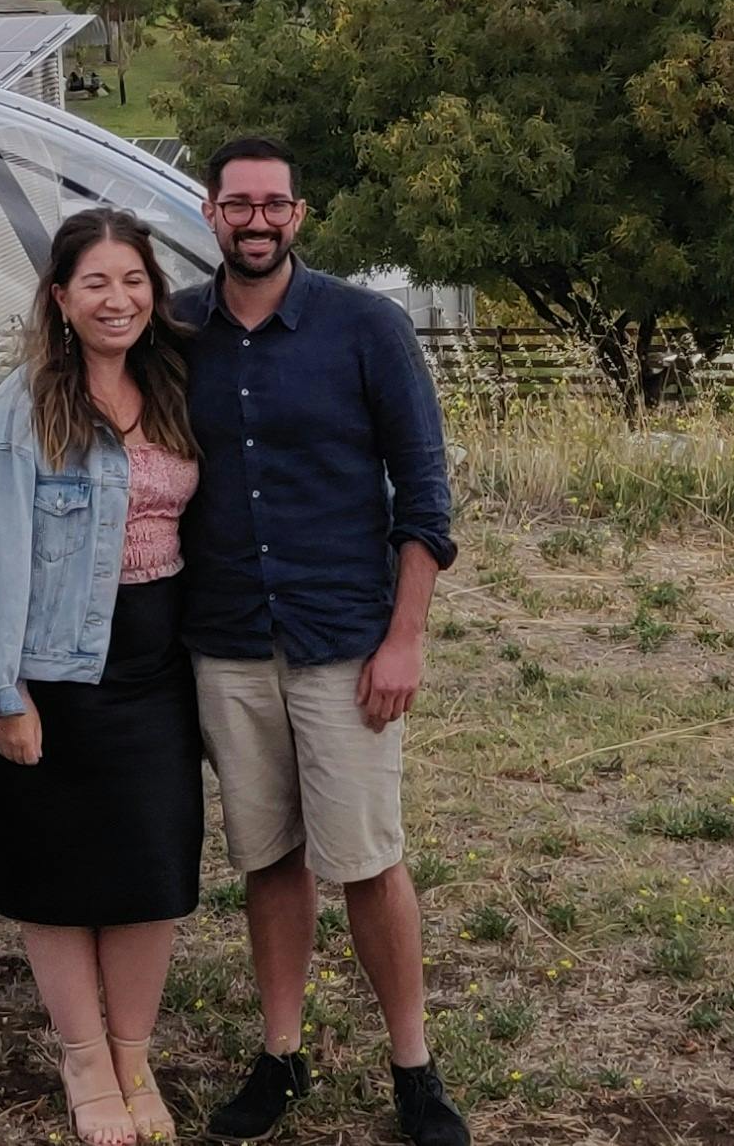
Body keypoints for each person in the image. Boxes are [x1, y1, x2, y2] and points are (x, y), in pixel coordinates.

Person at [177, 136, 464, 1146]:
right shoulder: (176, 329)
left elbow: (423, 493)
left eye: (273, 204)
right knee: (267, 856)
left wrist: (404, 638)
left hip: (343, 637)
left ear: (299, 214)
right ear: (210, 212)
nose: (255, 221)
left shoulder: (364, 326)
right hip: (226, 637)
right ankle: (281, 1053)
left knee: (367, 859)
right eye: (237, 204)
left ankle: (413, 1066)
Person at [0, 206, 207, 1145]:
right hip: (56, 673)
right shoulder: (28, 406)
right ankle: (84, 1061)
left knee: (151, 868)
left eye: (132, 281)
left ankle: (133, 1055)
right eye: (94, 282)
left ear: (153, 294)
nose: (115, 299)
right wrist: (4, 692)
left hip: (159, 670)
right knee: (56, 873)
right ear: (59, 297)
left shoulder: (170, 387)